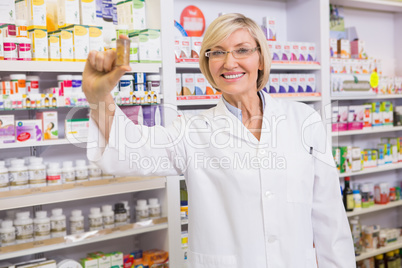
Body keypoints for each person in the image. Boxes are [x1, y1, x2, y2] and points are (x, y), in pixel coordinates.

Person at [83, 13, 355, 268]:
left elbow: (329, 218)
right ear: (207, 63)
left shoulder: (304, 120)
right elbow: (131, 151)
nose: (229, 62)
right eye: (217, 52)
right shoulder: (192, 130)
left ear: (260, 58)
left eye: (242, 50)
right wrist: (99, 98)